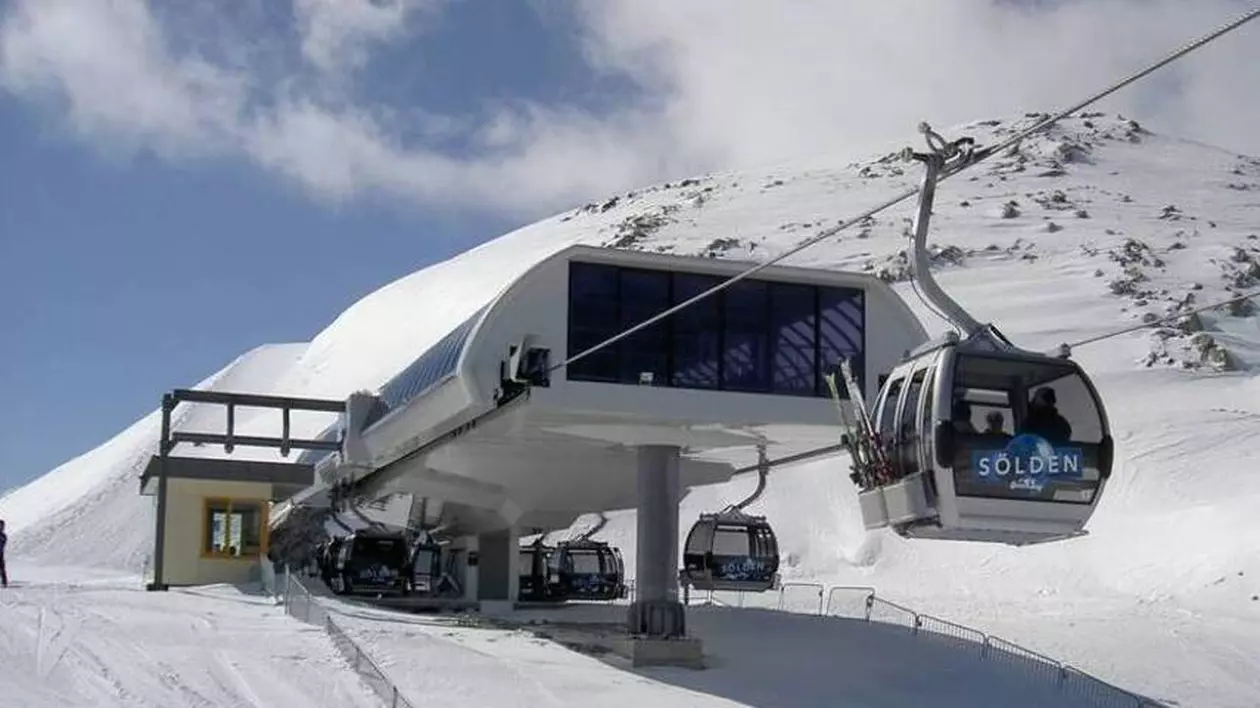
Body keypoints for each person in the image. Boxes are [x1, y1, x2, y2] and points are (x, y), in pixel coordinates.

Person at [0, 518, 8, 588]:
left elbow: (3, 544)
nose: (2, 527)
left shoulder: (3, 536)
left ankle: (4, 582)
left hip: (0, 554)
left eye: (2, 526)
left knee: (2, 569)